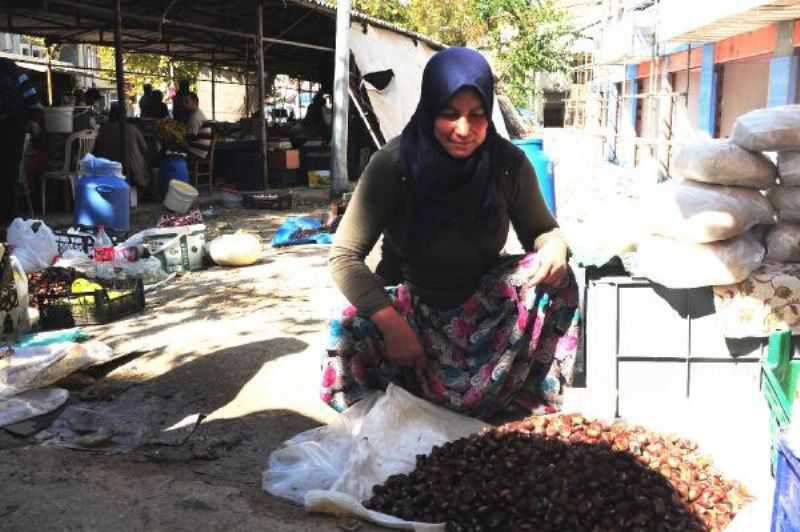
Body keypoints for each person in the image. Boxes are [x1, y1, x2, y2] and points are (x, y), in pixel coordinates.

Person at [323, 48, 580, 421]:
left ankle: (524, 412)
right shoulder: (394, 165)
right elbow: (343, 257)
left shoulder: (507, 165)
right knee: (346, 331)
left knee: (561, 280)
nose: (463, 130)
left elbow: (542, 230)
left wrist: (554, 244)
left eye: (477, 116)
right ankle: (386, 426)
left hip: (485, 308)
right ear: (430, 110)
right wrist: (392, 325)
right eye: (449, 114)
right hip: (413, 306)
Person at [0, 58, 43, 232]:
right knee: (7, 174)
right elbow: (31, 97)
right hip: (13, 127)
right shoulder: (11, 69)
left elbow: (31, 97)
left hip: (12, 127)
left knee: (8, 174)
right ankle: (7, 219)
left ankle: (8, 219)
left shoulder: (10, 68)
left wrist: (33, 118)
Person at [92, 103, 149, 189]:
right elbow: (144, 148)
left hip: (107, 173)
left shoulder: (103, 129)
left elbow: (95, 150)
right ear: (125, 115)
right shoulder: (132, 128)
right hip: (133, 175)